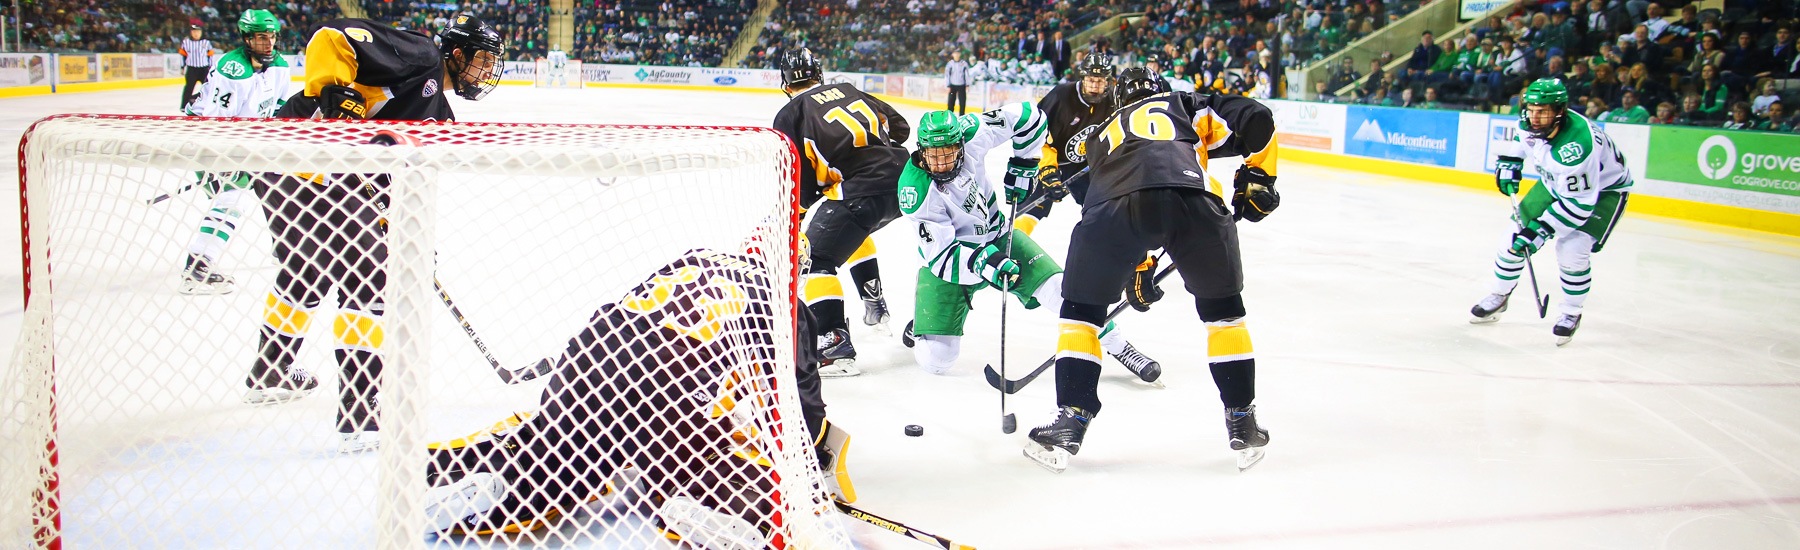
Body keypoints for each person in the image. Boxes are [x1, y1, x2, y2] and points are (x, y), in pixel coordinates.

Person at [419, 248, 852, 544]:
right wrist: (805, 466)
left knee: (560, 457)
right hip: (665, 387)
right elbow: (799, 410)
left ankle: (500, 477)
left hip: (588, 356)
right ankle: (712, 500)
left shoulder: (695, 258)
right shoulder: (788, 303)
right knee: (696, 457)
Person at [244, 14, 504, 453]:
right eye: (482, 60)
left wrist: (415, 238)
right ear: (456, 56)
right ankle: (361, 418)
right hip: (304, 156)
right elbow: (332, 38)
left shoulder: (439, 118)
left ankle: (271, 372)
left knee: (304, 273)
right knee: (369, 279)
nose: (486, 72)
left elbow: (397, 189)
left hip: (288, 168)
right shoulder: (421, 55)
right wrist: (333, 89)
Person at [1022, 68, 1279, 473]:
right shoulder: (1184, 104)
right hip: (1196, 202)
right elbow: (1258, 118)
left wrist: (1136, 266)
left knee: (1080, 317)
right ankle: (1242, 421)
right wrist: (1259, 177)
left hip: (1112, 210)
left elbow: (1118, 198)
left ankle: (1071, 421)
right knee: (1225, 316)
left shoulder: (1098, 135)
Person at [898, 107, 1161, 380]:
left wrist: (1024, 164)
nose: (941, 163)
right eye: (933, 155)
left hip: (997, 236)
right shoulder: (915, 191)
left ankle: (1120, 346)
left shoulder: (971, 131)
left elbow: (1029, 116)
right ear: (921, 151)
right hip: (952, 261)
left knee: (1065, 292)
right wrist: (984, 262)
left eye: (948, 154)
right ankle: (923, 322)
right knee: (938, 360)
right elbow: (941, 256)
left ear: (960, 144)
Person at [771, 47, 911, 377]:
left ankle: (833, 347)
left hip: (862, 192)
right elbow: (901, 128)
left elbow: (798, 174)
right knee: (849, 229)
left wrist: (799, 211)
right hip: (906, 184)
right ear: (819, 74)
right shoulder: (850, 89)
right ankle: (875, 305)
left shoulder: (791, 112)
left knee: (816, 258)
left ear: (786, 84)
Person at [1473, 79, 1632, 346]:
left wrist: (1541, 231)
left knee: (1571, 251)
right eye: (1532, 109)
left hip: (1603, 192)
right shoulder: (1530, 122)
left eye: (1543, 111)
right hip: (1553, 183)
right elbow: (1523, 140)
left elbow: (1580, 205)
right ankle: (1499, 296)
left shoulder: (1575, 149)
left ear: (1560, 111)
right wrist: (1512, 161)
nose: (1535, 117)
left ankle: (1571, 313)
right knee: (1511, 240)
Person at [178, 9, 291, 295]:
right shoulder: (233, 70)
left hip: (248, 140)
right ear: (246, 38)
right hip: (208, 137)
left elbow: (277, 106)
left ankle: (286, 247)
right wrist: (223, 159)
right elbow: (217, 123)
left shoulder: (279, 65)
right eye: (261, 37)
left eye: (272, 36)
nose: (268, 43)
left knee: (277, 185)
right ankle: (197, 267)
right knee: (232, 197)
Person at [1016, 55, 1114, 237]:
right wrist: (1048, 170)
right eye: (1091, 80)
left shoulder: (1112, 101)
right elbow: (1036, 134)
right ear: (1083, 78)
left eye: (1100, 81)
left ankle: (1121, 253)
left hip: (1082, 165)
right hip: (1045, 160)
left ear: (1108, 82)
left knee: (1104, 205)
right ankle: (1013, 248)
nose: (1094, 86)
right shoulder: (1061, 96)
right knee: (1033, 209)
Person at [178, 24, 216, 111]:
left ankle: (208, 104)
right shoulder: (186, 42)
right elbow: (182, 55)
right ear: (191, 32)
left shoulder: (206, 43)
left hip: (204, 69)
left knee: (208, 87)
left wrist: (211, 68)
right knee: (189, 87)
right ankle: (184, 106)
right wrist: (182, 66)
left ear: (201, 33)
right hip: (192, 69)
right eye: (194, 31)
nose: (196, 34)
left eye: (198, 31)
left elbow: (210, 56)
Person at [944, 50, 970, 114]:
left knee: (962, 102)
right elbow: (947, 75)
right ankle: (949, 116)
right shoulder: (950, 64)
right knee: (951, 102)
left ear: (960, 54)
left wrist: (967, 84)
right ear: (952, 54)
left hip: (962, 85)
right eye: (955, 53)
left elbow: (967, 74)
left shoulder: (964, 63)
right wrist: (948, 85)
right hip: (952, 85)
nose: (956, 55)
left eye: (958, 53)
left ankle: (961, 116)